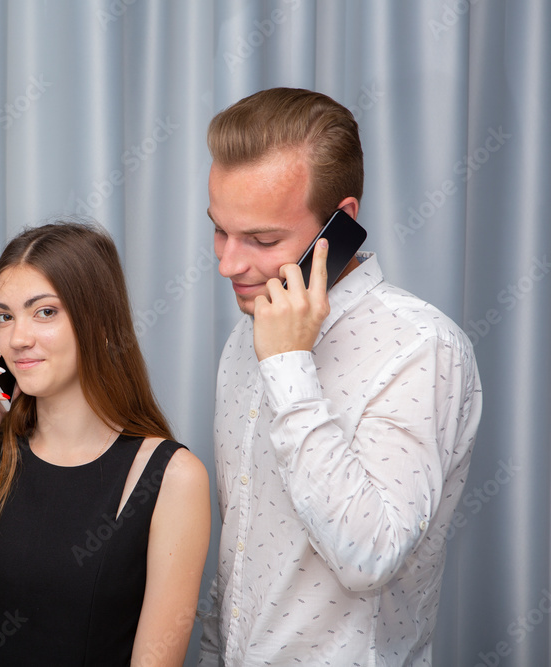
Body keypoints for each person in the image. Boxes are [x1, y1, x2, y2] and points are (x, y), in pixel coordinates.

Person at [197, 87, 483, 666]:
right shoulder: (244, 336)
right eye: (219, 231)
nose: (228, 264)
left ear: (340, 223)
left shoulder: (423, 348)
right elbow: (242, 552)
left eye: (261, 239)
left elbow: (369, 557)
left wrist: (286, 366)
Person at [0, 221, 211, 666]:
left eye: (45, 312)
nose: (17, 338)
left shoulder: (173, 477)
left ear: (103, 324)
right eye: (4, 316)